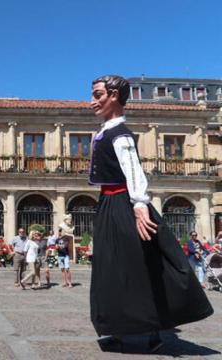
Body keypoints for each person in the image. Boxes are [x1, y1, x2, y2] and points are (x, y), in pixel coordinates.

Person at [88, 75, 213, 352]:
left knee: (139, 266)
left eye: (98, 95)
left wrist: (140, 206)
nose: (93, 101)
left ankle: (155, 329)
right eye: (93, 95)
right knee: (111, 269)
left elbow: (133, 171)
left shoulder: (120, 136)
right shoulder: (106, 131)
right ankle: (118, 326)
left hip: (123, 203)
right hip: (108, 204)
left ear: (114, 97)